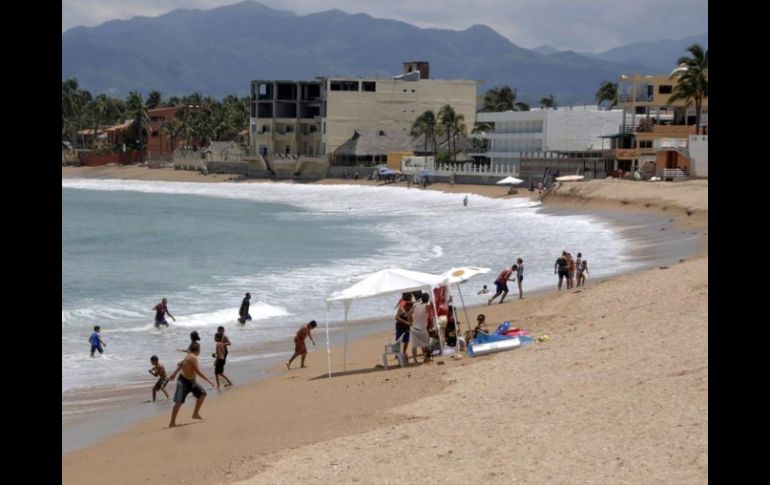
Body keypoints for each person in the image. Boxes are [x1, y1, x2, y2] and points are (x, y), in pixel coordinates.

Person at [167, 342, 215, 428]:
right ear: (197, 350)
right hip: (183, 382)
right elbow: (198, 372)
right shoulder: (193, 357)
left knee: (202, 394)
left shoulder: (189, 355)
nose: (200, 351)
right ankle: (172, 423)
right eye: (200, 349)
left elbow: (180, 364)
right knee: (179, 402)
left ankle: (195, 414)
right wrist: (209, 380)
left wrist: (174, 374)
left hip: (191, 382)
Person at [410, 294, 432, 363]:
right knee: (427, 344)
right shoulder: (427, 306)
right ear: (428, 299)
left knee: (414, 345)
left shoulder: (415, 305)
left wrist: (410, 322)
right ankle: (426, 358)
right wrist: (430, 327)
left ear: (421, 299)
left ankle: (414, 360)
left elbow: (409, 313)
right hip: (422, 328)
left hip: (414, 327)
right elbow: (430, 317)